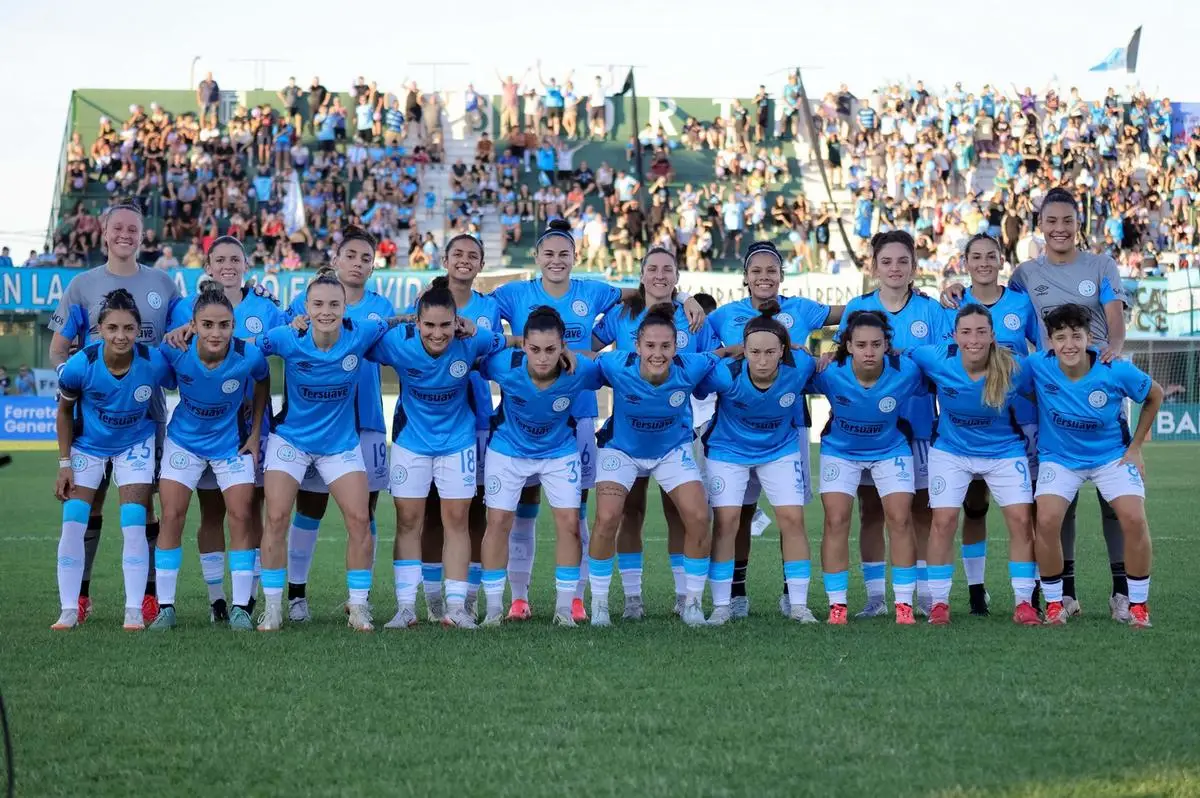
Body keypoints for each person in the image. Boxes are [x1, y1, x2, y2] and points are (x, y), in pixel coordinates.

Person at [491, 219, 706, 621]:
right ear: (536, 257)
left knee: (579, 508)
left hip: (585, 416)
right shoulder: (515, 294)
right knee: (524, 506)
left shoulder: (594, 291)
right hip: (527, 417)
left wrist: (685, 296)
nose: (556, 260)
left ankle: (577, 597)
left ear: (576, 257)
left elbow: (646, 293)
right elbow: (477, 311)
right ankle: (519, 597)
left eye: (564, 253)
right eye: (549, 253)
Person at [942, 187, 1132, 621]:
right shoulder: (1025, 275)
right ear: (1040, 225)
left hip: (1099, 389)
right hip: (1054, 397)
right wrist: (955, 289)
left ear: (1079, 223)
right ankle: (1066, 593)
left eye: (1068, 220)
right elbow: (990, 300)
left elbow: (1115, 324)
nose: (1060, 228)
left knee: (1114, 499)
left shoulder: (1102, 265)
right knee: (1060, 497)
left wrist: (1112, 352)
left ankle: (1121, 592)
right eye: (1052, 221)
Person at [47, 202, 185, 626]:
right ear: (104, 233)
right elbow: (58, 348)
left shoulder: (163, 283)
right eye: (118, 228)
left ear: (142, 235)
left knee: (142, 508)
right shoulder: (82, 286)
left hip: (147, 417)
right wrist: (75, 379)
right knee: (88, 507)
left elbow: (186, 331)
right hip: (93, 419)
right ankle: (79, 596)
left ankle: (147, 598)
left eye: (133, 229)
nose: (125, 234)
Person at [707, 240, 843, 617]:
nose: (764, 277)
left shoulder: (802, 308)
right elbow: (698, 347)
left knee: (790, 515)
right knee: (739, 514)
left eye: (771, 270)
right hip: (736, 426)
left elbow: (855, 313)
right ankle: (735, 595)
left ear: (782, 275)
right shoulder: (724, 316)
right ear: (745, 277)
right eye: (757, 271)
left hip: (788, 425)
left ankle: (791, 597)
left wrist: (836, 348)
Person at [365, 277, 512, 629]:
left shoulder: (472, 339)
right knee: (407, 522)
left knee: (457, 521)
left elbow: (508, 342)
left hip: (457, 443)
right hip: (410, 443)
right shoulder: (398, 341)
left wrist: (479, 329)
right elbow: (358, 338)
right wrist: (397, 319)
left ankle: (456, 608)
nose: (437, 333)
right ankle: (405, 608)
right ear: (417, 322)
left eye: (445, 325)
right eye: (429, 325)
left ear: (456, 321)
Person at [254, 269, 394, 632]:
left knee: (360, 520)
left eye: (334, 304)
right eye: (317, 304)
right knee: (276, 518)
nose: (326, 311)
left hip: (339, 445)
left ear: (345, 307)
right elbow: (245, 349)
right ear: (306, 307)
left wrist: (417, 313)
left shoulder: (361, 332)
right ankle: (273, 608)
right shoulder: (287, 336)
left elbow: (396, 323)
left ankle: (358, 607)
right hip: (292, 441)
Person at [591, 247, 721, 618]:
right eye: (653, 269)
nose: (660, 275)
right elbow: (589, 350)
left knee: (683, 514)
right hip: (625, 436)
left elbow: (714, 358)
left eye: (668, 270)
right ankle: (629, 599)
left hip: (673, 435)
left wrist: (688, 299)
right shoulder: (621, 314)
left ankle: (686, 600)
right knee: (626, 513)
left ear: (678, 277)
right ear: (642, 274)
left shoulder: (692, 316)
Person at [1016, 304, 1162, 627]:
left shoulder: (1115, 369)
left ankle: (1138, 606)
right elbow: (1014, 387)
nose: (1068, 344)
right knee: (1047, 520)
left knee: (1134, 518)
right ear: (1050, 341)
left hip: (1111, 457)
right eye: (1060, 337)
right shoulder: (1037, 365)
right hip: (1059, 458)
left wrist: (1136, 447)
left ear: (1089, 338)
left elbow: (1156, 395)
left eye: (1076, 336)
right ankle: (1055, 604)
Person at [166, 236, 287, 623]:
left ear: (247, 265)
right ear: (208, 266)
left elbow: (283, 352)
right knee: (211, 512)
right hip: (207, 427)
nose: (228, 266)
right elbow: (174, 353)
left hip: (252, 427)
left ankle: (248, 600)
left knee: (250, 510)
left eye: (236, 259)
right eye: (220, 260)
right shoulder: (185, 307)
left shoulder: (266, 306)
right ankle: (218, 599)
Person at [839, 230, 949, 619]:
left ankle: (922, 595)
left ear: (915, 266)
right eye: (886, 261)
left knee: (919, 511)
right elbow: (842, 362)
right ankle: (875, 598)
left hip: (918, 427)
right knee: (870, 511)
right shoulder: (858, 307)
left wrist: (909, 361)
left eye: (903, 261)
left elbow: (945, 364)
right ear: (874, 267)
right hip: (867, 431)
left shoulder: (931, 310)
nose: (895, 268)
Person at [148, 284, 271, 631]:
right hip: (183, 444)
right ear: (193, 325)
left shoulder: (249, 355)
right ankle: (166, 608)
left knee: (241, 516)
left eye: (224, 325)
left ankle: (240, 608)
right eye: (207, 325)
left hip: (230, 446)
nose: (216, 333)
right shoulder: (175, 350)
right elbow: (152, 373)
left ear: (234, 325)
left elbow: (263, 381)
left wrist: (255, 432)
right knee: (172, 516)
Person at [52, 289, 174, 630]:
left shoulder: (153, 361)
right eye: (113, 328)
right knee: (73, 522)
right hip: (89, 446)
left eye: (129, 328)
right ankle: (68, 609)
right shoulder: (81, 365)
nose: (121, 336)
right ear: (99, 330)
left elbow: (185, 378)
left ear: (138, 330)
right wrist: (64, 464)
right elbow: (64, 412)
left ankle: (133, 610)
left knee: (133, 522)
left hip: (135, 444)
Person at [910, 305, 1038, 626]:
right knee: (943, 522)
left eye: (981, 332)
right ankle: (939, 603)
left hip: (1004, 451)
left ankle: (1024, 602)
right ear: (955, 336)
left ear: (993, 336)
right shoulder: (936, 358)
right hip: (951, 451)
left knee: (1022, 522)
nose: (974, 339)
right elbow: (897, 354)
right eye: (966, 332)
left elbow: (1051, 380)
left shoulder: (1015, 367)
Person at [477, 307, 602, 626]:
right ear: (524, 346)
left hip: (559, 452)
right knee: (498, 523)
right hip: (508, 450)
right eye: (534, 349)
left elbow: (615, 368)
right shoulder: (504, 364)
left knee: (570, 524)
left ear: (563, 347)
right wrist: (504, 341)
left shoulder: (580, 370)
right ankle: (494, 610)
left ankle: (564, 610)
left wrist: (578, 355)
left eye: (550, 349)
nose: (542, 358)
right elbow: (473, 354)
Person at [699, 301, 817, 625]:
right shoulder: (726, 373)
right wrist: (723, 353)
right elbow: (696, 379)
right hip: (728, 451)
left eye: (769, 352)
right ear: (744, 350)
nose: (762, 360)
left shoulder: (801, 366)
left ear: (783, 351)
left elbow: (828, 368)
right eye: (754, 352)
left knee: (793, 519)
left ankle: (799, 605)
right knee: (727, 522)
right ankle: (722, 606)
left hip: (779, 450)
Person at [409, 234, 502, 622]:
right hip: (428, 421)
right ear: (445, 260)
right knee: (431, 512)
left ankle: (468, 597)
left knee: (474, 511)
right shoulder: (425, 302)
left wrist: (475, 334)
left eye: (472, 255)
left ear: (481, 264)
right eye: (457, 254)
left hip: (476, 418)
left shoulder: (489, 306)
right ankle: (433, 599)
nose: (465, 260)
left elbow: (497, 349)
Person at [945, 234, 1040, 616]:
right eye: (976, 257)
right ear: (965, 262)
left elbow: (1044, 352)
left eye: (991, 256)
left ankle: (1032, 592)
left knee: (1026, 510)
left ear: (1002, 260)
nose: (984, 263)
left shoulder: (1021, 303)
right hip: (968, 426)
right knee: (975, 507)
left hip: (1021, 422)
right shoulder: (953, 304)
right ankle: (975, 591)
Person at [811, 310, 923, 625]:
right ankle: (837, 606)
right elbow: (788, 369)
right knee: (836, 520)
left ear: (887, 345)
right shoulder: (829, 372)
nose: (869, 352)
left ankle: (903, 605)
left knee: (900, 519)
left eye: (876, 344)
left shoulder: (907, 370)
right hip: (841, 451)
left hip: (890, 449)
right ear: (848, 346)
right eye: (861, 345)